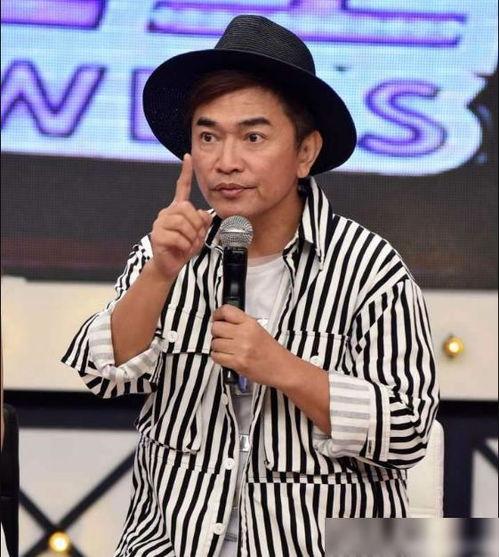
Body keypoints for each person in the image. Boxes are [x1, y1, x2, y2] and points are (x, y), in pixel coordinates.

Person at [62, 15, 439, 556]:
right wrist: (160, 273)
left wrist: (282, 367)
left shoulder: (370, 268)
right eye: (208, 137)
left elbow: (407, 432)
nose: (226, 163)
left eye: (253, 137)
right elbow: (102, 376)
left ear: (305, 153)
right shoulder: (167, 251)